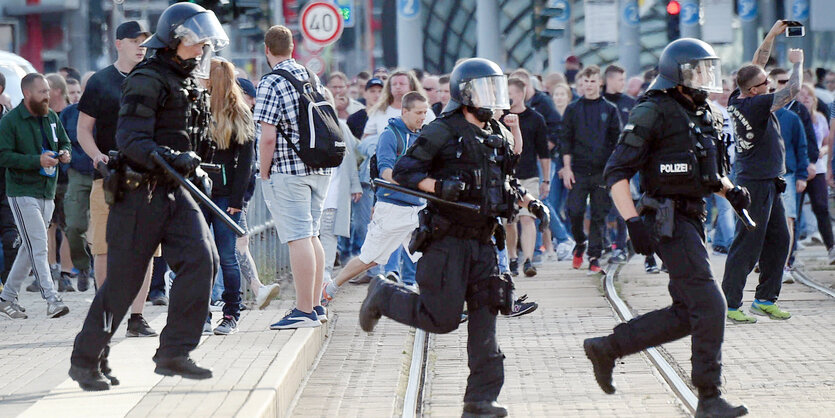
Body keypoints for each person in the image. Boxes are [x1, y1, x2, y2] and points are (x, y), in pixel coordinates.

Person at [359, 58, 549, 418]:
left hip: (485, 243)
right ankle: (383, 295)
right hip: (447, 243)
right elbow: (405, 170)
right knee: (442, 319)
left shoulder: (498, 134)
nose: (493, 98)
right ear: (465, 93)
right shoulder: (441, 130)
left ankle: (480, 401)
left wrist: (530, 202)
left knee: (486, 325)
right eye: (485, 89)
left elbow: (505, 182)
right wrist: (438, 186)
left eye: (496, 89)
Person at [583, 38, 750, 418]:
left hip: (692, 217)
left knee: (688, 312)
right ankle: (709, 398)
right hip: (665, 219)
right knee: (711, 304)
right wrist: (633, 223)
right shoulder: (652, 110)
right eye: (699, 70)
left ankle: (607, 348)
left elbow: (706, 170)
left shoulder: (702, 112)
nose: (707, 78)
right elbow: (616, 172)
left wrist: (731, 191)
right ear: (678, 75)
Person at [69, 2, 227, 391]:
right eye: (196, 41)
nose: (203, 47)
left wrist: (198, 164)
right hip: (140, 194)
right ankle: (86, 360)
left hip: (174, 190)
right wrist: (176, 158)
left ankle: (174, 351)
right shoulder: (147, 78)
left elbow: (191, 137)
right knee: (122, 284)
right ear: (175, 40)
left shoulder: (187, 80)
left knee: (201, 260)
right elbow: (131, 140)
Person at [76, 21, 158, 334]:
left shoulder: (154, 77)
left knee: (145, 248)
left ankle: (136, 317)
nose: (141, 46)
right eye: (135, 41)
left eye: (145, 41)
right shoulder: (100, 81)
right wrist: (96, 156)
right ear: (118, 43)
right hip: (107, 177)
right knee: (104, 247)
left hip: (146, 176)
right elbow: (83, 129)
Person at [721, 21, 802, 323]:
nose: (770, 84)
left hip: (769, 181)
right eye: (766, 83)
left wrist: (772, 34)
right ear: (755, 90)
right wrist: (798, 64)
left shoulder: (740, 97)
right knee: (748, 244)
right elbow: (793, 90)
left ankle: (765, 299)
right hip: (754, 184)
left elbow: (757, 63)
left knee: (779, 240)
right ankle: (730, 304)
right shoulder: (756, 105)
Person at [255, 25, 330, 329]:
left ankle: (303, 310)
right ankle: (315, 305)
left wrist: (263, 170)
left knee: (298, 236)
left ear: (267, 50)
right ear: (293, 48)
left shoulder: (271, 82)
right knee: (312, 235)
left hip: (289, 170)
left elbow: (268, 136)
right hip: (320, 168)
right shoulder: (312, 77)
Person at [322, 91, 428, 302]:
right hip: (393, 208)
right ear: (404, 111)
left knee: (434, 253)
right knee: (369, 259)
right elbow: (385, 172)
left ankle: (442, 299)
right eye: (418, 112)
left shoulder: (422, 135)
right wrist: (416, 183)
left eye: (425, 112)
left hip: (417, 209)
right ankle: (330, 287)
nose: (422, 117)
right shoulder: (390, 135)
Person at [0, 73, 72, 319]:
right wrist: (35, 161)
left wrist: (64, 152)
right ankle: (52, 299)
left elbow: (65, 141)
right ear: (27, 93)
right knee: (39, 244)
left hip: (46, 190)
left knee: (28, 249)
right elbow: (3, 156)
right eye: (42, 91)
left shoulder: (51, 116)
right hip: (22, 192)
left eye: (48, 90)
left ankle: (6, 297)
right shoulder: (10, 121)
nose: (48, 95)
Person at [203, 58, 255, 335]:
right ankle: (229, 314)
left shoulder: (234, 112)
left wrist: (237, 200)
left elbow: (246, 161)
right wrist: (238, 200)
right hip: (217, 194)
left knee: (217, 256)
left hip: (210, 193)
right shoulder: (236, 111)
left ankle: (221, 314)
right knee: (225, 256)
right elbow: (246, 163)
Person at [559, 65, 621, 274]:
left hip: (601, 172)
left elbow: (616, 142)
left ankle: (594, 257)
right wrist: (566, 169)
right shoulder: (573, 109)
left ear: (600, 83)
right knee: (574, 211)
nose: (588, 86)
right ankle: (580, 241)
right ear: (580, 84)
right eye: (585, 82)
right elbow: (565, 141)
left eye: (593, 81)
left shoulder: (610, 110)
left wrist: (613, 170)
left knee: (599, 214)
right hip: (578, 169)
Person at [502, 77, 549, 276]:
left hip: (529, 175)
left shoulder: (536, 118)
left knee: (527, 218)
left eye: (510, 94)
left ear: (520, 94)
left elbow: (544, 152)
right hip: (506, 177)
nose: (507, 98)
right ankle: (512, 257)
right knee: (509, 222)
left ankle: (528, 260)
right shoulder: (499, 117)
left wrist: (546, 180)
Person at [602, 65, 638, 265]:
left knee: (622, 203)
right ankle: (608, 242)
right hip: (602, 161)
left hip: (626, 162)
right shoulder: (601, 102)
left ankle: (621, 244)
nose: (622, 84)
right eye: (620, 80)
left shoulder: (629, 103)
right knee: (603, 207)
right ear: (609, 80)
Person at [797, 83, 835, 264]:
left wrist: (824, 151)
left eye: (808, 96)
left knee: (821, 207)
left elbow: (828, 141)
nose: (805, 98)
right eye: (802, 95)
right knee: (794, 212)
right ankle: (791, 253)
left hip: (818, 169)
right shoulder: (793, 117)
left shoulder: (820, 118)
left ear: (814, 100)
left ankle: (831, 247)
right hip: (799, 169)